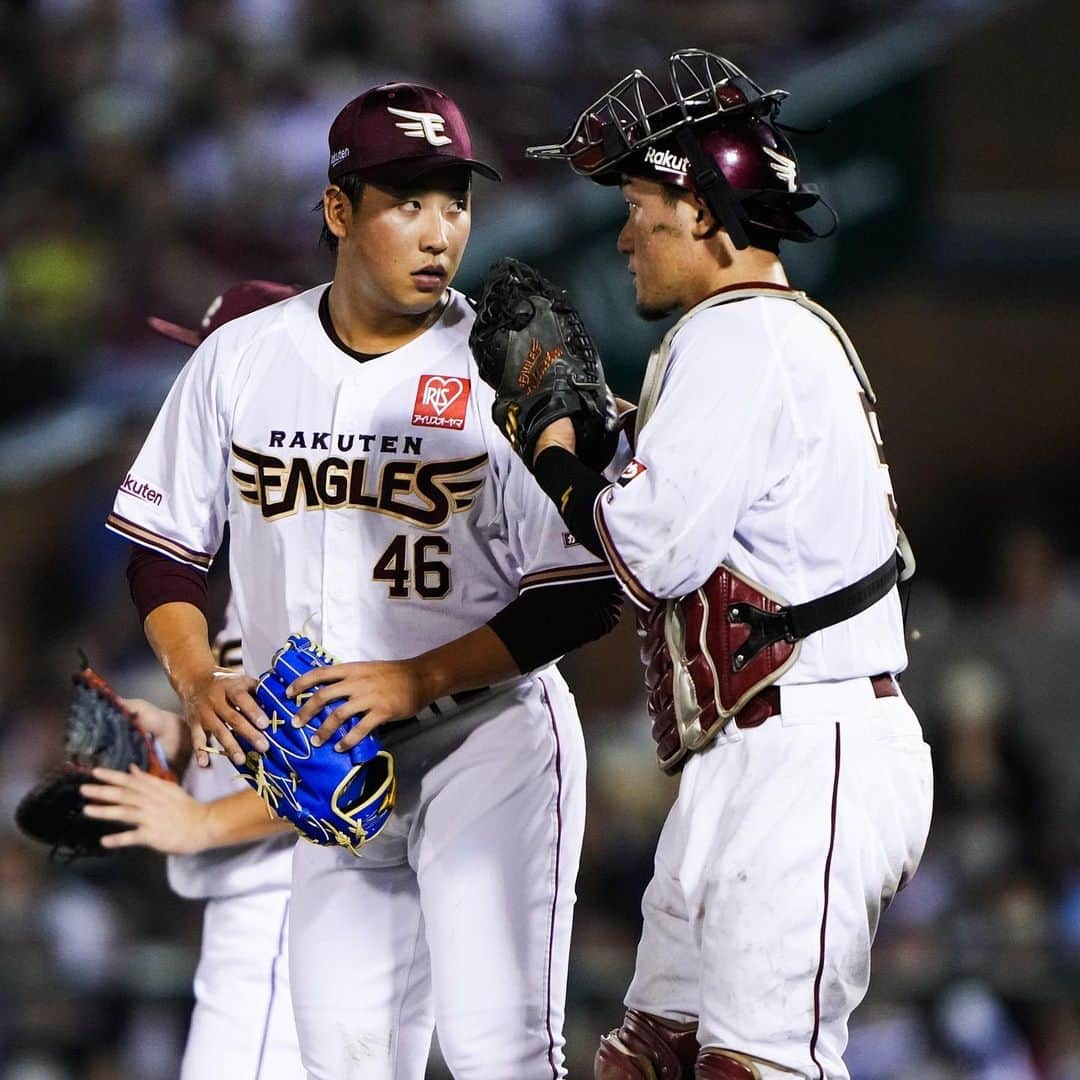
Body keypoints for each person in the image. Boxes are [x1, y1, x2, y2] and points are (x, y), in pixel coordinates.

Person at [106, 81, 622, 1080]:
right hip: (327, 763)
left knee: (495, 1051)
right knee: (344, 1059)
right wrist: (196, 680)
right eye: (408, 201)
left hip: (489, 735)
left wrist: (415, 679)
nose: (439, 230)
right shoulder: (244, 358)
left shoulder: (504, 365)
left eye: (454, 201)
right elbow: (164, 550)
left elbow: (581, 590)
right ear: (340, 210)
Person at [510, 51, 935, 1079]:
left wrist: (554, 448)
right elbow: (682, 505)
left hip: (811, 741)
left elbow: (648, 556)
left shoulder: (739, 336)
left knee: (756, 1068)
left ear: (705, 211)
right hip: (761, 752)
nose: (625, 233)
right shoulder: (750, 341)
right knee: (648, 1063)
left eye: (643, 204)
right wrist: (596, 432)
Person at [85, 280, 306, 1079]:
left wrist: (205, 824)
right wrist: (184, 736)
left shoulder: (314, 555)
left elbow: (373, 755)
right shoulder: (266, 540)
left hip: (293, 907)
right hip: (282, 906)